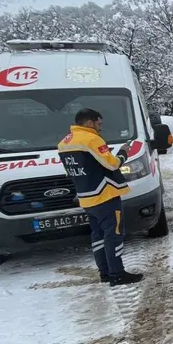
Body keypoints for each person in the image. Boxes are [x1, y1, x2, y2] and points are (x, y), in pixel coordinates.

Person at [57, 108, 144, 286]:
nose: (100, 128)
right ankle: (117, 273)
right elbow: (111, 164)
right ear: (89, 123)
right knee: (114, 234)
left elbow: (73, 171)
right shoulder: (91, 139)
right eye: (99, 123)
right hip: (104, 195)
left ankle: (104, 272)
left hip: (86, 197)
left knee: (97, 235)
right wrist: (123, 153)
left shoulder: (65, 142)